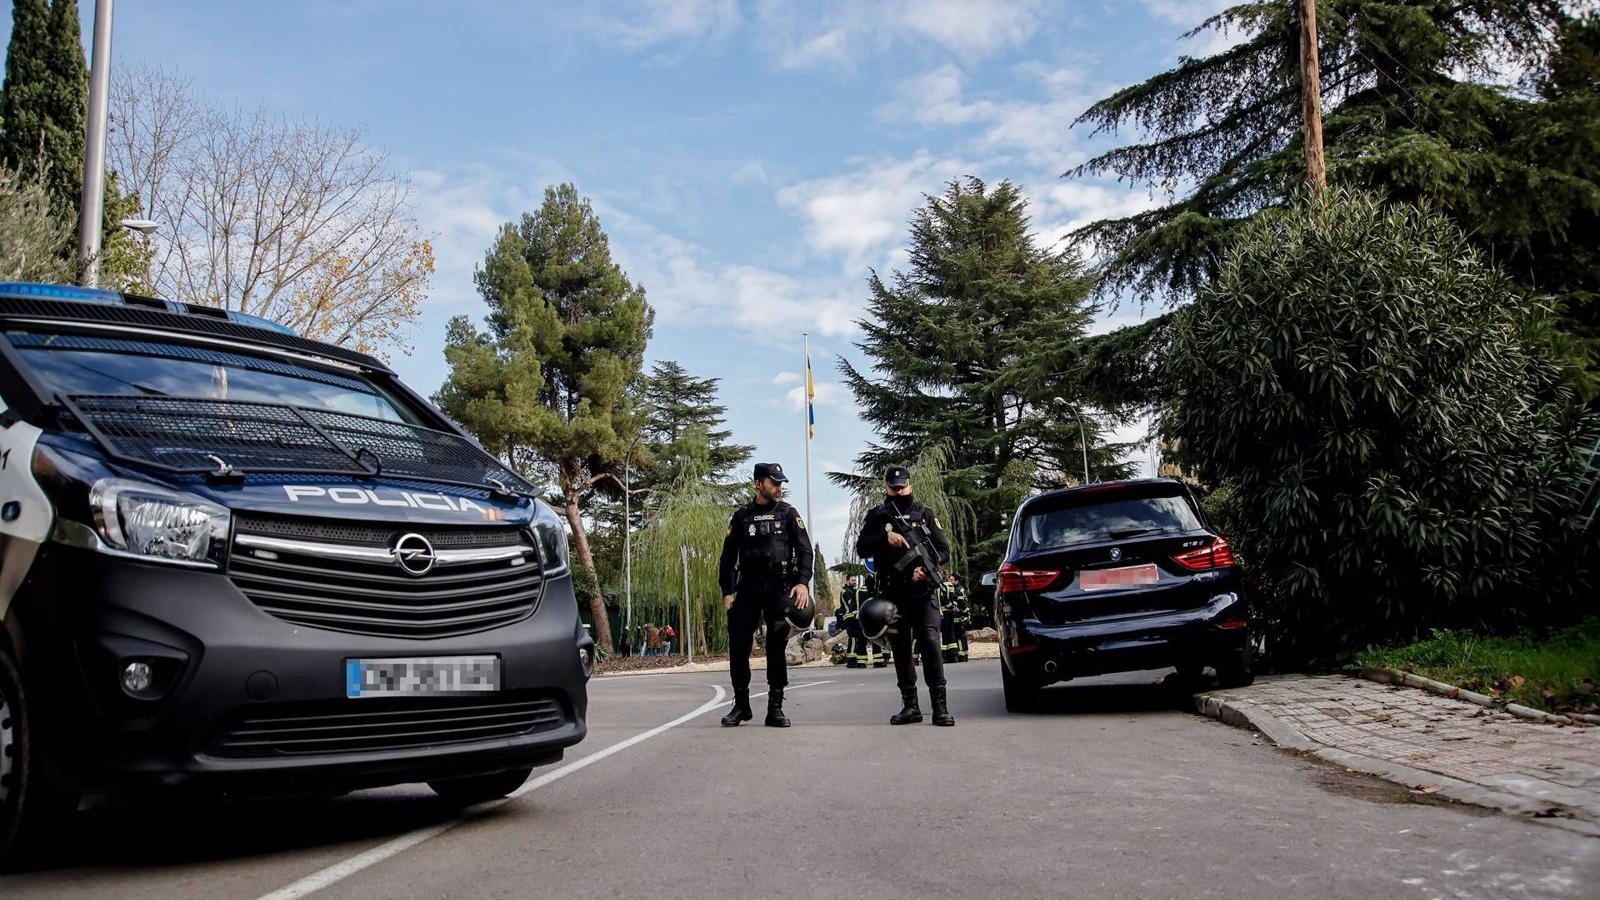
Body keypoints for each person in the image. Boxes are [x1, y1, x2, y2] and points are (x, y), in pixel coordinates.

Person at [854, 465, 954, 726]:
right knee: (900, 649)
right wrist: (885, 538)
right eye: (894, 488)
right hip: (893, 592)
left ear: (910, 485)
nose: (898, 492)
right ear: (886, 487)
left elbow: (944, 550)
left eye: (902, 487)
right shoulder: (877, 515)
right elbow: (861, 547)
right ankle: (911, 706)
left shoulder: (925, 514)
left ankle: (940, 707)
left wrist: (927, 567)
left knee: (931, 643)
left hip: (923, 592)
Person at [718, 461, 813, 727]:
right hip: (747, 588)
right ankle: (741, 705)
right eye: (774, 482)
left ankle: (775, 708)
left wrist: (803, 582)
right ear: (758, 484)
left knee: (775, 647)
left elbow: (805, 551)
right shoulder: (741, 516)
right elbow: (728, 558)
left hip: (779, 587)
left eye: (781, 483)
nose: (779, 487)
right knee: (738, 646)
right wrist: (727, 591)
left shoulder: (788, 513)